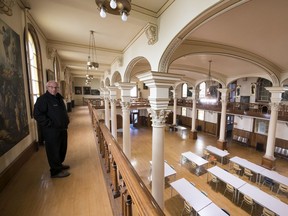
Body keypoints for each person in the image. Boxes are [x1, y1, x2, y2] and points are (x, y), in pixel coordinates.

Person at [34, 80, 70, 178]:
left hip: (62, 128)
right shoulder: (43, 99)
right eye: (51, 87)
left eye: (55, 87)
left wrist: (66, 121)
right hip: (51, 131)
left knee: (62, 148)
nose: (54, 89)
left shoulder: (59, 98)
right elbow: (37, 114)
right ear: (47, 87)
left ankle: (59, 165)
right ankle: (55, 171)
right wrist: (49, 124)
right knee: (53, 150)